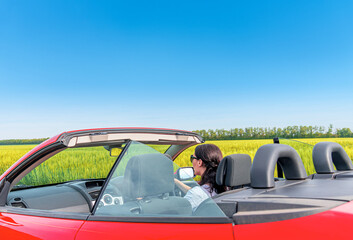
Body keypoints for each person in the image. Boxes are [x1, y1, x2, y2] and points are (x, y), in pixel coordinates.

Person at [174, 144, 225, 211]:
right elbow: (199, 193)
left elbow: (177, 212)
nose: (192, 162)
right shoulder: (224, 187)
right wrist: (176, 181)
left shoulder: (197, 194)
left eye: (192, 158)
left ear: (199, 162)